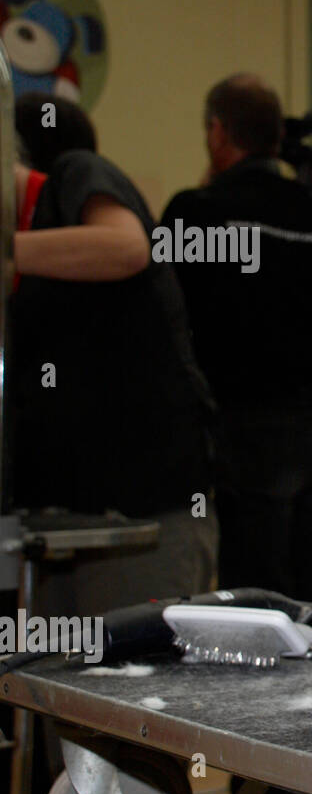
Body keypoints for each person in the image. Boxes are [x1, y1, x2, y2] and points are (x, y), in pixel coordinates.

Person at [10, 94, 218, 615]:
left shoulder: (75, 174)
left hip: (144, 516)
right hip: (64, 520)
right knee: (52, 686)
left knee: (135, 682)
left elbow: (126, 247)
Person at [161, 75, 312, 624]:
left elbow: (167, 311)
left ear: (218, 132)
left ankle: (256, 706)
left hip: (241, 422)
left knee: (254, 591)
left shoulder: (195, 212)